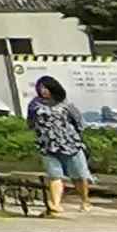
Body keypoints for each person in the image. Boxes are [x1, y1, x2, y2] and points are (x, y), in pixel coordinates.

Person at [27, 74, 92, 215]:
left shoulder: (65, 104)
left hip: (70, 144)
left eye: (46, 88)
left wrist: (75, 136)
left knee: (79, 175)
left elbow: (79, 122)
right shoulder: (34, 104)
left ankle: (85, 200)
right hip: (48, 145)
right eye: (40, 88)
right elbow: (31, 123)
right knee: (54, 175)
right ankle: (55, 204)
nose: (43, 91)